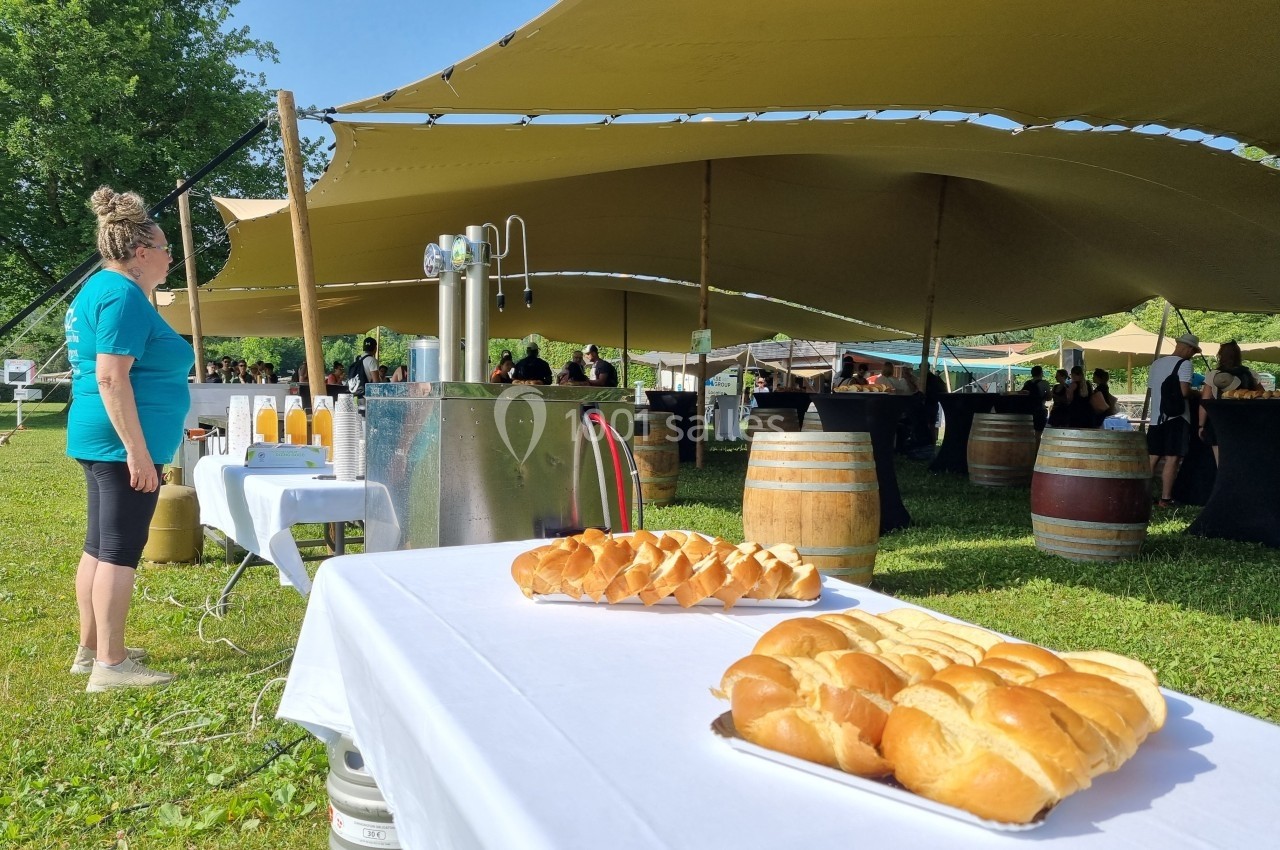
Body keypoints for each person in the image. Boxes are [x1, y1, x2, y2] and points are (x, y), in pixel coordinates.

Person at [65, 187, 192, 692]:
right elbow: (112, 377)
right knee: (120, 549)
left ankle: (91, 649)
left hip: (100, 436)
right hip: (120, 442)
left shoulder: (99, 288)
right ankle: (110, 667)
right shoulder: (122, 295)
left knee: (99, 545)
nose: (169, 257)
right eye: (164, 247)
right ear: (142, 253)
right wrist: (138, 452)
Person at [1147, 332, 1200, 507]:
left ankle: (1141, 494)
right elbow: (1184, 391)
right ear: (1189, 349)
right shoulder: (1185, 364)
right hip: (1176, 418)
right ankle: (1166, 498)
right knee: (1172, 458)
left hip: (1156, 417)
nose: (1192, 355)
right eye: (1193, 352)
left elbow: (1152, 388)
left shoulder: (1156, 364)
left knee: (1152, 457)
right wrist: (1198, 393)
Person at [1199, 341, 1260, 464]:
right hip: (1246, 421)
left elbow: (1205, 402)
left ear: (1220, 356)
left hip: (1219, 421)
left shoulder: (1213, 375)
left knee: (1221, 462)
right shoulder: (1250, 373)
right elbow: (1261, 396)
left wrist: (1200, 425)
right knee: (1243, 459)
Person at [1020, 365, 1051, 433]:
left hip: (1028, 410)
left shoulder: (1027, 383)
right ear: (1041, 373)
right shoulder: (1045, 383)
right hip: (1040, 410)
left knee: (1028, 431)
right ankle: (1037, 443)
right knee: (1038, 432)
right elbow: (1049, 398)